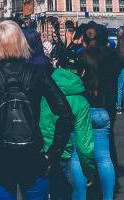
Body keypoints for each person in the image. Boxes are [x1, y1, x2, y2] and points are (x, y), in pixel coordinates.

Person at [0, 20, 74, 200]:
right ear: (21, 42)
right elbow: (65, 113)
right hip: (34, 156)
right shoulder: (38, 73)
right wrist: (54, 153)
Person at [73, 29, 119, 200]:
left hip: (83, 110)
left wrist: (74, 44)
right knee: (104, 157)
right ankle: (108, 196)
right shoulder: (110, 58)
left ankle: (81, 195)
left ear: (83, 40)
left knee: (78, 156)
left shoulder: (81, 57)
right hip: (103, 110)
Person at [39, 61, 95, 200]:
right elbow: (84, 145)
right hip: (60, 152)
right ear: (82, 73)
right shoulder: (81, 102)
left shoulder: (44, 87)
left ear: (58, 66)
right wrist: (89, 171)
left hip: (38, 148)